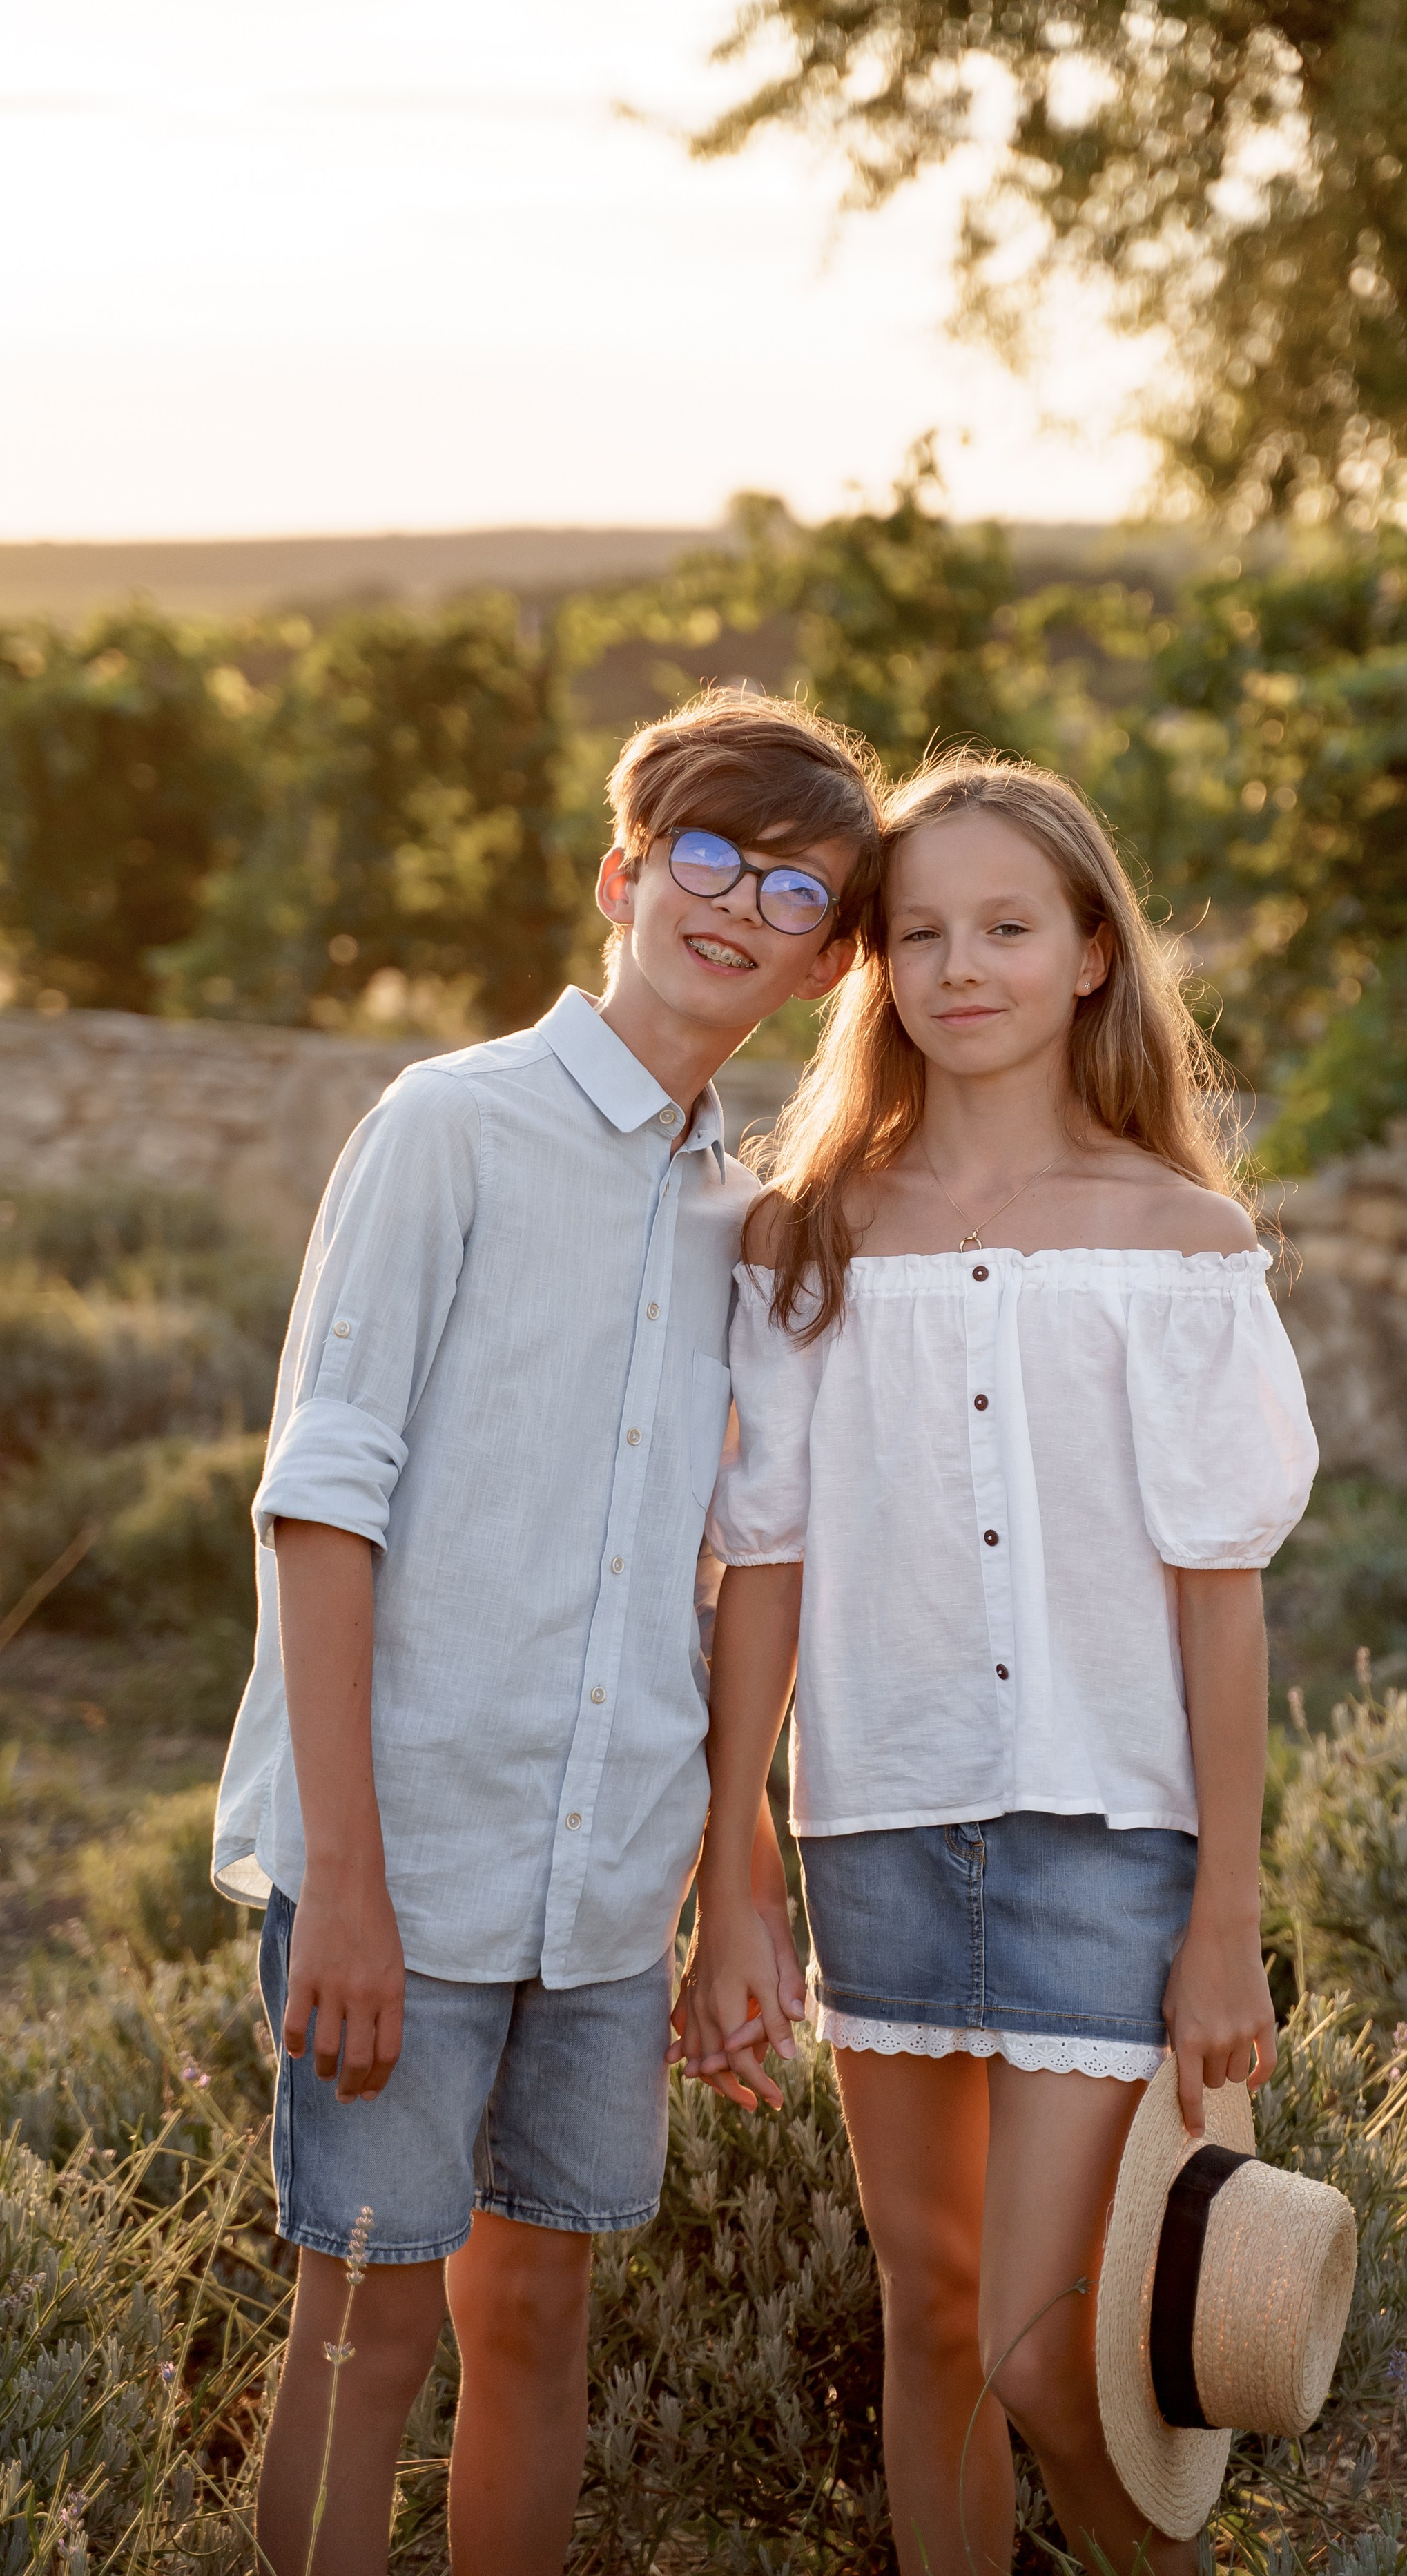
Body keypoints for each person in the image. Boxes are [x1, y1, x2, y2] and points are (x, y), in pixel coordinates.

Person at [210, 690, 882, 2576]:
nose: (739, 905)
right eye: (705, 857)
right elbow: (319, 1509)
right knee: (366, 2326)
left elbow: (700, 1569)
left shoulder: (735, 1221)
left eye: (797, 890)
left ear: (829, 962)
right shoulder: (453, 1131)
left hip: (605, 1894)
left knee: (535, 2319)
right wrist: (344, 1879)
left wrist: (730, 1879)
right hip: (402, 1868)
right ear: (622, 872)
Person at [675, 755, 1318, 2576]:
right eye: (922, 934)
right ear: (877, 969)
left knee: (1051, 2353)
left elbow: (1221, 1593)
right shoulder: (813, 1239)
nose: (962, 969)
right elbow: (765, 1569)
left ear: (1094, 954)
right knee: (936, 2322)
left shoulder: (1180, 1246)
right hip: (877, 1830)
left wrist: (1224, 1918)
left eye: (1009, 928)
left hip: (1106, 1849)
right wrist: (739, 1867)